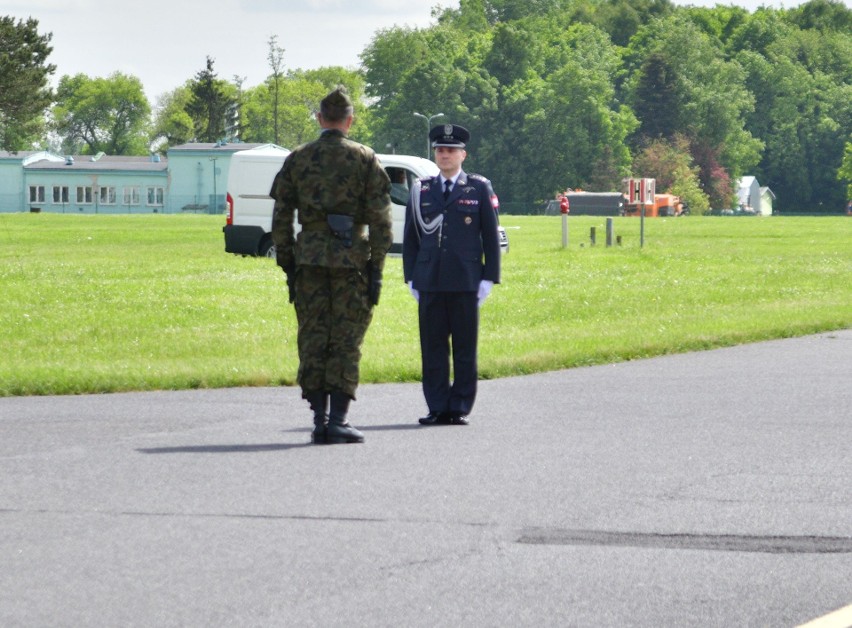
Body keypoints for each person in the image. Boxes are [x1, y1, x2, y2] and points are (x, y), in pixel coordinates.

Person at [270, 86, 393, 445]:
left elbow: (281, 215)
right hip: (351, 261)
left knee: (313, 337)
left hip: (309, 260)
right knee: (346, 340)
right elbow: (381, 220)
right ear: (349, 121)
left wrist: (288, 261)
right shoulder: (365, 158)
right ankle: (338, 419)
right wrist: (377, 266)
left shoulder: (298, 157)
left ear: (321, 119)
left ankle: (319, 418)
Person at [402, 123, 501, 426]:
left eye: (450, 150)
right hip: (430, 280)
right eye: (440, 150)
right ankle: (436, 406)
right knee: (432, 349)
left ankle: (458, 406)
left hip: (465, 280)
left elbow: (490, 236)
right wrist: (410, 277)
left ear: (463, 155)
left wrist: (488, 278)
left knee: (464, 348)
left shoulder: (478, 188)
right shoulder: (422, 189)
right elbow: (411, 238)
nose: (444, 155)